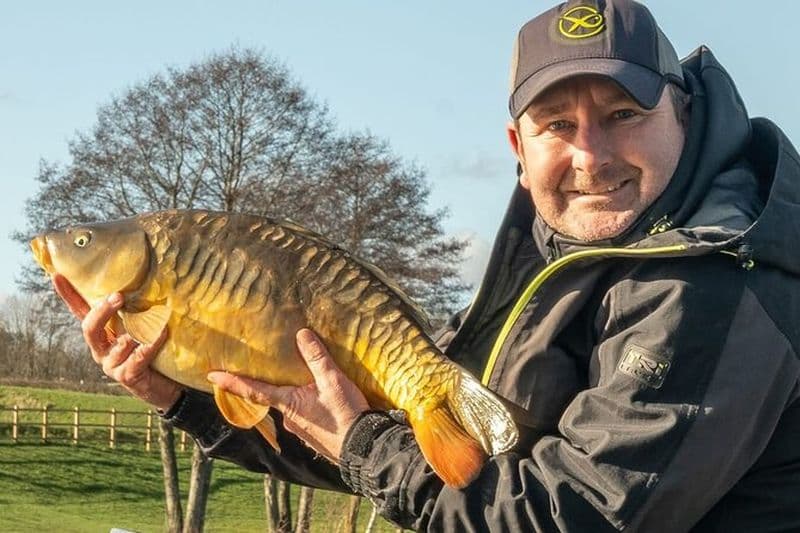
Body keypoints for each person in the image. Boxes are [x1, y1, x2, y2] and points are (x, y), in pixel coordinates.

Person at [54, 0, 800, 530]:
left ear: (684, 114)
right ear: (517, 149)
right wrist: (181, 398)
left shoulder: (719, 275)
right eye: (557, 126)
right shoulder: (559, 251)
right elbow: (401, 453)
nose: (590, 155)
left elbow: (570, 515)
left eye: (623, 116)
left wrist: (369, 447)